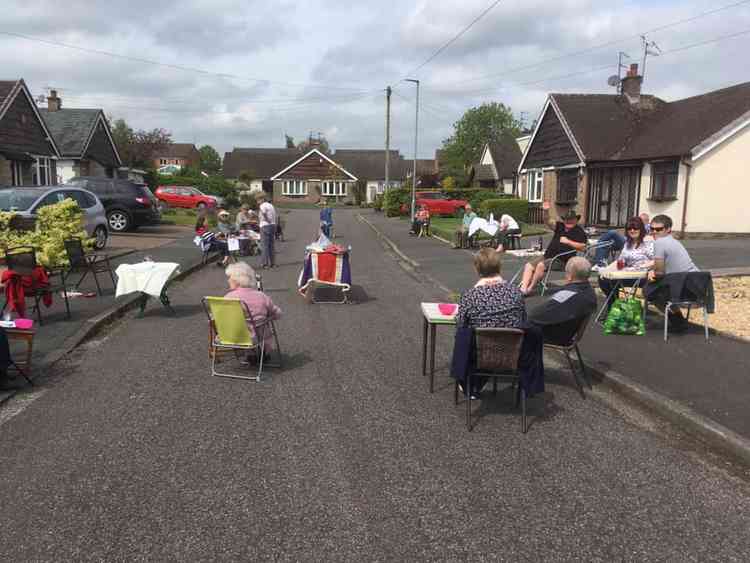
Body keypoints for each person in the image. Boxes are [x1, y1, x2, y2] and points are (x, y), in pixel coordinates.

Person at [453, 248, 527, 398]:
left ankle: (469, 383)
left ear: (476, 269)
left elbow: (461, 324)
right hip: (512, 353)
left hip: (482, 354)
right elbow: (523, 320)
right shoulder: (516, 293)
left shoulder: (470, 296)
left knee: (464, 336)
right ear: (499, 267)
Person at [646, 214, 700, 329]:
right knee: (659, 289)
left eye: (658, 229)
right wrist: (654, 270)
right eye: (652, 229)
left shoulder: (659, 243)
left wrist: (652, 272)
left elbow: (659, 272)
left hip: (682, 290)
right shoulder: (675, 242)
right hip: (697, 287)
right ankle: (678, 321)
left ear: (668, 229)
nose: (654, 232)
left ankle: (677, 321)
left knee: (648, 291)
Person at [528, 257, 597, 345]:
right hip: (568, 333)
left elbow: (535, 315)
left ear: (569, 276)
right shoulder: (590, 292)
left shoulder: (568, 294)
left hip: (553, 336)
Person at [519, 209, 587, 295]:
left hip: (562, 260)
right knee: (529, 265)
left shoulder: (579, 231)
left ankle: (530, 288)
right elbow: (547, 221)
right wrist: (546, 211)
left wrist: (568, 242)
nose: (568, 221)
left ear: (576, 220)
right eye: (566, 219)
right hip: (547, 256)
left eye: (571, 219)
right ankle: (523, 288)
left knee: (541, 265)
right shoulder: (560, 226)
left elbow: (583, 247)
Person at [597, 216, 654, 314]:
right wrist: (606, 269)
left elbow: (655, 260)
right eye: (629, 228)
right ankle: (615, 305)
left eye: (635, 228)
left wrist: (646, 266)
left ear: (641, 229)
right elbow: (620, 261)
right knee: (603, 279)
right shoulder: (628, 243)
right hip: (628, 273)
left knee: (611, 281)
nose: (632, 230)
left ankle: (614, 309)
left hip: (641, 276)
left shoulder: (647, 243)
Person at [224, 262, 282, 353]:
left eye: (230, 278)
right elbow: (277, 314)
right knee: (263, 323)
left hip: (231, 336)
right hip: (255, 336)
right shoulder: (261, 296)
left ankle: (249, 354)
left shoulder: (228, 297)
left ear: (237, 280)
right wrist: (270, 316)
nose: (228, 280)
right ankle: (260, 352)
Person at [257, 193, 277, 269]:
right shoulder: (270, 205)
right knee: (271, 245)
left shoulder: (262, 206)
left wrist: (267, 220)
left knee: (264, 246)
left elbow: (264, 213)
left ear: (262, 199)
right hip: (272, 225)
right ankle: (273, 263)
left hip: (265, 225)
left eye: (258, 200)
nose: (257, 202)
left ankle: (265, 264)